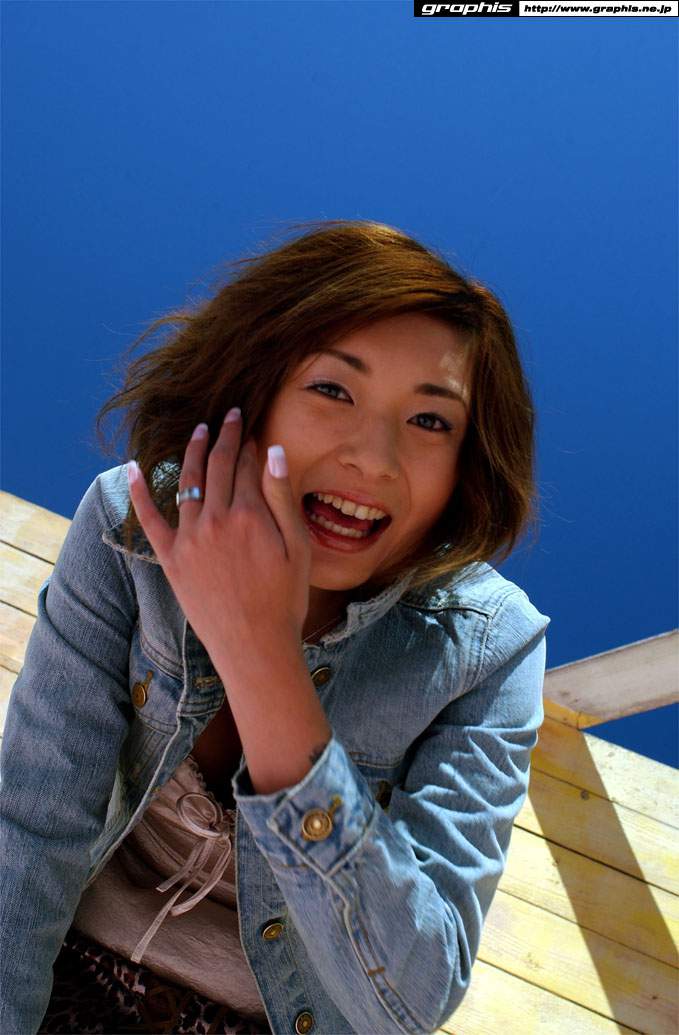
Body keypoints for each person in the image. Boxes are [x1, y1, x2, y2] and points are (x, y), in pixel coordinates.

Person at [0, 219, 551, 1035]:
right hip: (59, 980)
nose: (374, 459)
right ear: (253, 393)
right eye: (334, 390)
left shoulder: (490, 647)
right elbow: (31, 834)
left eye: (430, 421)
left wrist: (262, 658)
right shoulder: (129, 525)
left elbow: (407, 1000)